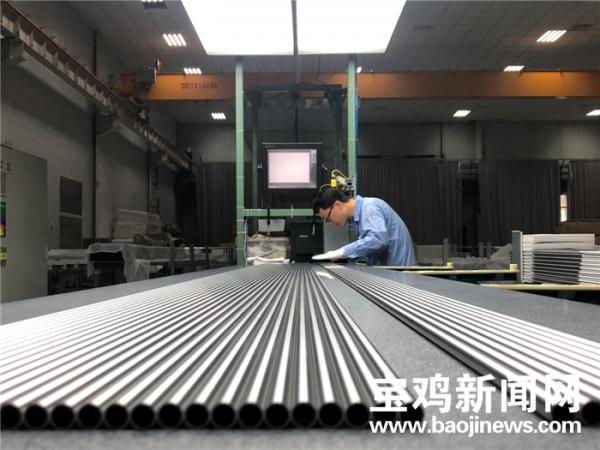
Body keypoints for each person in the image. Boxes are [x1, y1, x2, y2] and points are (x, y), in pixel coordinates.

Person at [312, 188, 416, 266]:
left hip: (401, 277)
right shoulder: (358, 219)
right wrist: (342, 258)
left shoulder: (370, 207)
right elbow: (368, 249)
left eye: (327, 218)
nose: (330, 223)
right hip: (392, 274)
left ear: (338, 204)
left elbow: (378, 240)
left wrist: (342, 252)